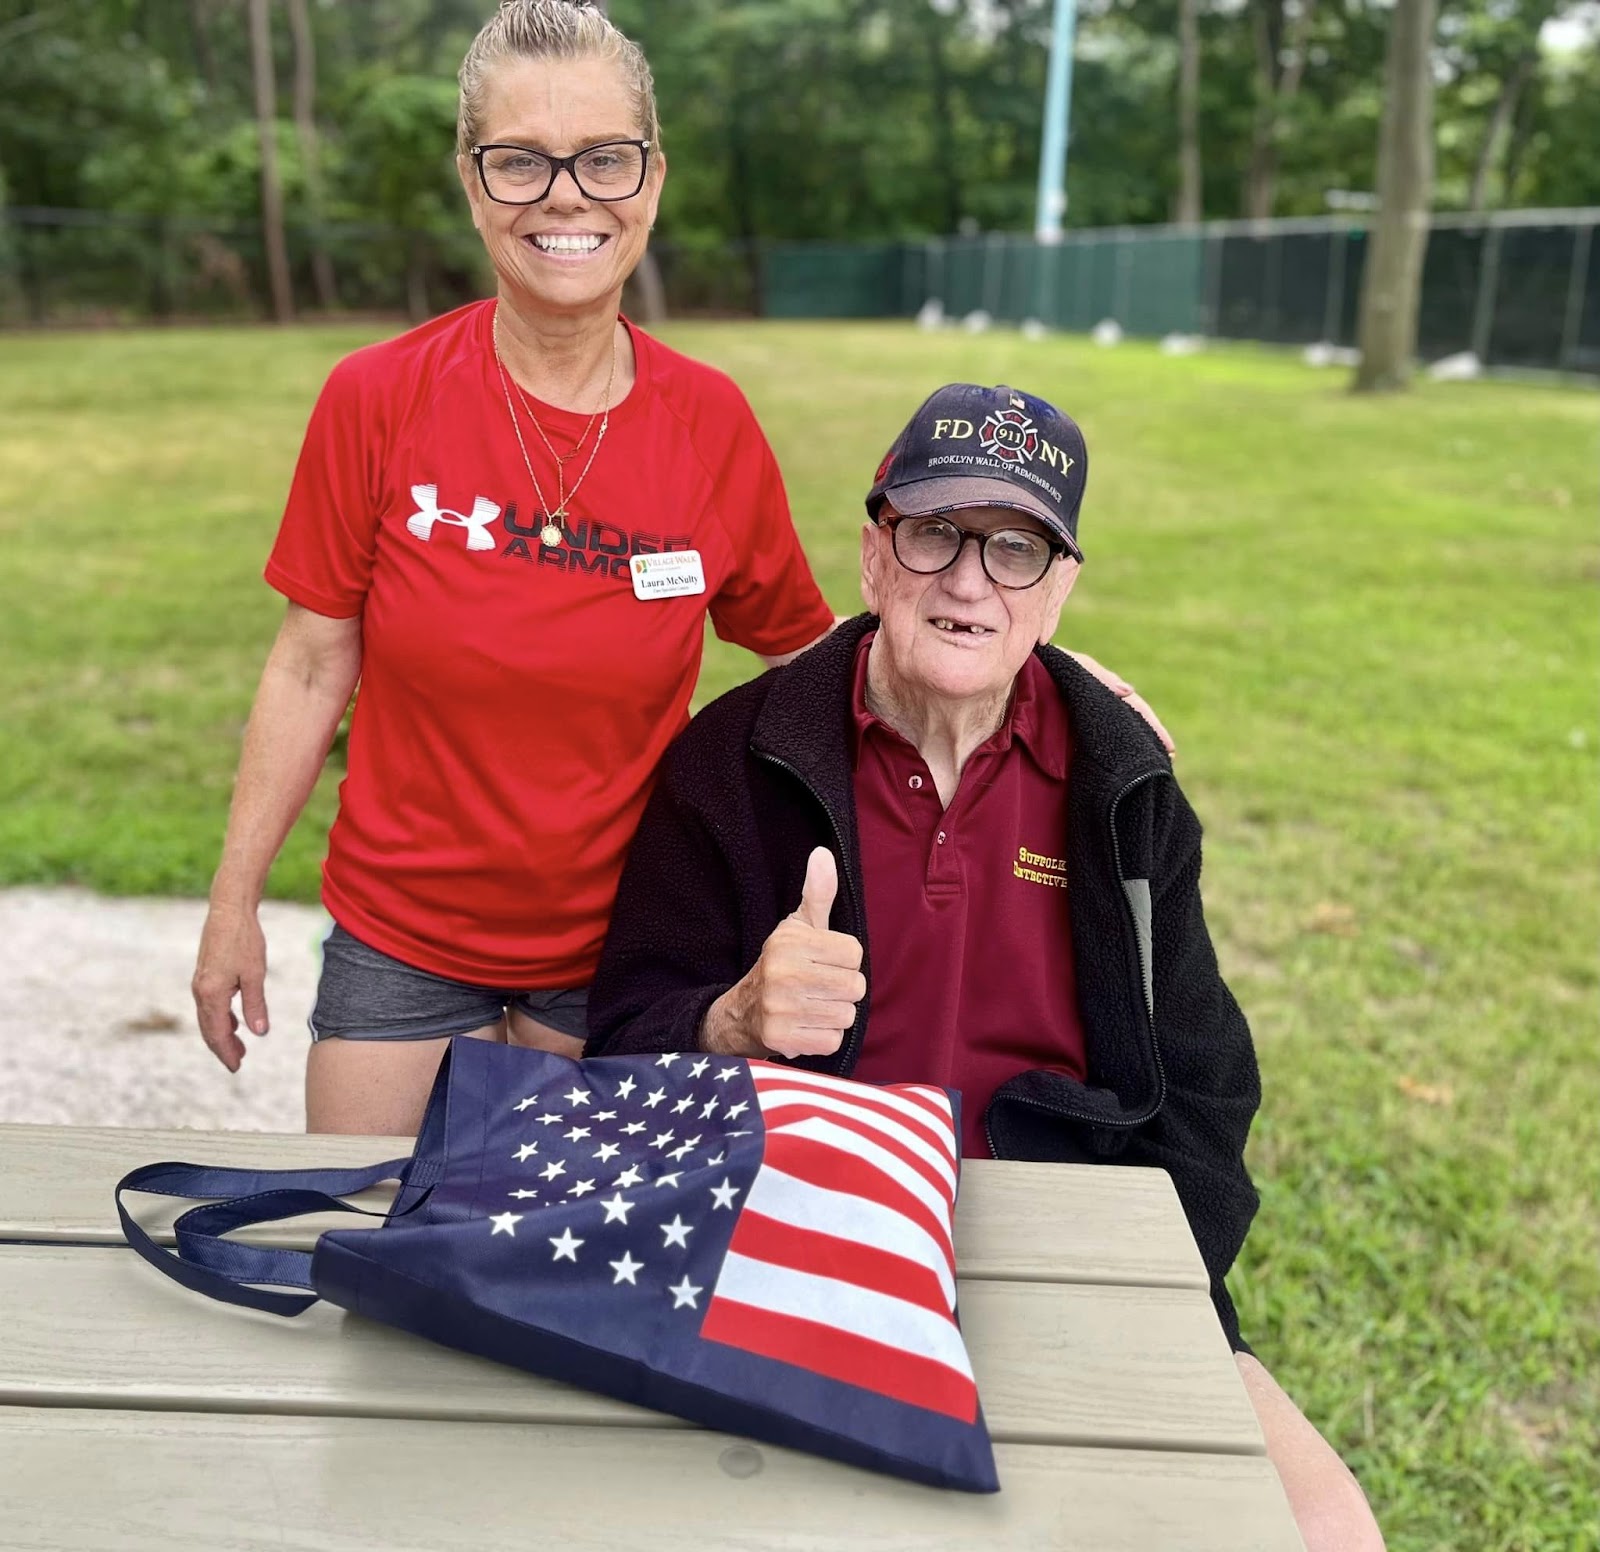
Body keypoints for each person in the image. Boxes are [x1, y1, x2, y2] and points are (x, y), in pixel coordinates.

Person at [188, 0, 1169, 1137]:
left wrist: (1037, 673)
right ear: (471, 180)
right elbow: (311, 665)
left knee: (555, 1292)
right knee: (360, 1248)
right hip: (398, 942)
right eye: (520, 161)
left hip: (618, 954)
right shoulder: (376, 398)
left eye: (604, 159)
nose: (565, 194)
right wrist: (231, 903)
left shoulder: (709, 426)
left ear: (650, 181)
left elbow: (821, 654)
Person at [587, 382, 1386, 1550]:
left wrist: (1137, 1289)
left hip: (1071, 1250)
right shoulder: (733, 762)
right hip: (810, 1248)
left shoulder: (1125, 788)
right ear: (873, 557)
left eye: (1016, 548)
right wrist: (733, 1018)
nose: (968, 582)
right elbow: (615, 1046)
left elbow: (1207, 1089)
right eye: (933, 534)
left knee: (1325, 1529)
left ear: (1058, 590)